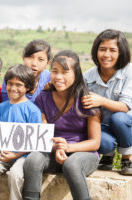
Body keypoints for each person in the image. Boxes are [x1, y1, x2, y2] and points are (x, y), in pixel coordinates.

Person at [23, 50, 101, 200]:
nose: (58, 77)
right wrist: (56, 147)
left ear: (77, 74)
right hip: (52, 151)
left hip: (84, 154)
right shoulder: (43, 97)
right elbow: (41, 133)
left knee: (72, 164)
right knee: (33, 160)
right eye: (54, 71)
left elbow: (95, 143)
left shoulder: (87, 100)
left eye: (65, 72)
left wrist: (68, 147)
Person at [82, 29, 132, 175]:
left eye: (112, 50)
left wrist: (101, 100)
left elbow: (124, 107)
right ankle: (108, 156)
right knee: (99, 139)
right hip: (104, 128)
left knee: (119, 117)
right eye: (102, 49)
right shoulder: (87, 76)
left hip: (129, 127)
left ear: (121, 52)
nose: (106, 55)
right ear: (96, 51)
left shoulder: (129, 70)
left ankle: (127, 160)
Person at [0, 64, 42, 200]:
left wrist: (16, 154)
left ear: (27, 87)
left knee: (15, 175)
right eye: (10, 83)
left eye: (19, 85)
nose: (13, 88)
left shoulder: (32, 110)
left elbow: (35, 142)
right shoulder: (1, 108)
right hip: (2, 153)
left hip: (23, 156)